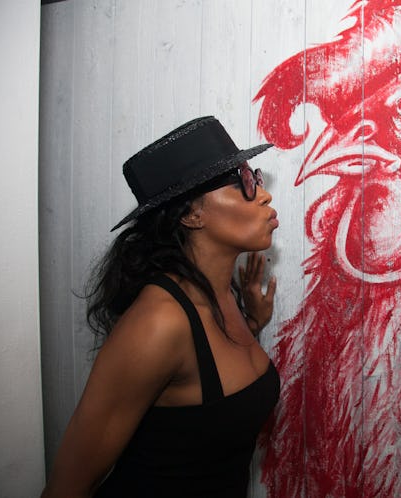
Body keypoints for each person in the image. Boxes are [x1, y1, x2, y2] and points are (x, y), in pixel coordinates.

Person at [41, 116, 280, 497]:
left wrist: (252, 322)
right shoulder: (158, 322)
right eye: (243, 183)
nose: (264, 195)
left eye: (256, 178)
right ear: (191, 214)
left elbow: (203, 394)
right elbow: (67, 487)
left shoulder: (221, 296)